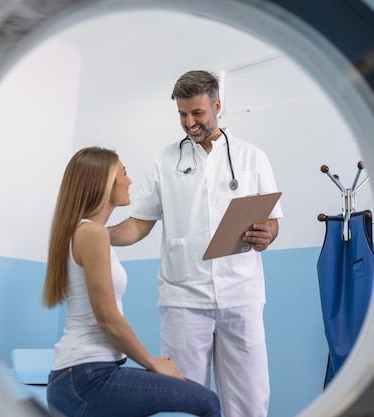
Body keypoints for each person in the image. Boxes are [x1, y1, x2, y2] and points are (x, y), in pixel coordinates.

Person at [108, 70, 283, 417]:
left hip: (241, 295)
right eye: (182, 114)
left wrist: (268, 233)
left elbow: (272, 221)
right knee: (182, 402)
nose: (189, 122)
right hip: (183, 298)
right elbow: (140, 222)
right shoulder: (165, 160)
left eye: (197, 113)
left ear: (217, 105)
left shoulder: (252, 157)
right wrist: (99, 234)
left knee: (249, 403)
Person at [42, 147, 221, 417]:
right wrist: (153, 363)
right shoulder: (91, 233)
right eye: (124, 174)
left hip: (80, 376)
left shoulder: (85, 231)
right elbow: (108, 320)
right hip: (86, 378)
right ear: (104, 183)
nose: (129, 181)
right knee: (208, 402)